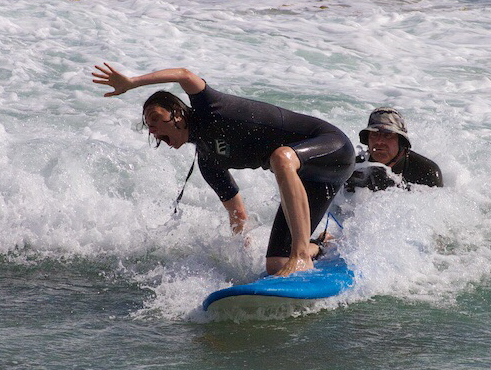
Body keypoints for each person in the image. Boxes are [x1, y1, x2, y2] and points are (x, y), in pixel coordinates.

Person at [92, 63, 354, 276]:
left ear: (178, 114)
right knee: (275, 265)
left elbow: (184, 74)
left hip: (333, 148)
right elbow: (237, 212)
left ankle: (300, 257)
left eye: (156, 119)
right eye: (148, 127)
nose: (152, 130)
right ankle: (319, 247)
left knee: (281, 157)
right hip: (311, 180)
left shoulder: (209, 108)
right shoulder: (208, 161)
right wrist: (241, 253)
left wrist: (132, 82)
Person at [345, 107, 443, 192]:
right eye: (374, 134)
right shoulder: (351, 169)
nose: (379, 141)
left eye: (387, 135)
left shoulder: (426, 172)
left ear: (401, 141)